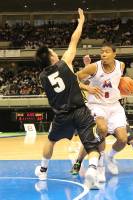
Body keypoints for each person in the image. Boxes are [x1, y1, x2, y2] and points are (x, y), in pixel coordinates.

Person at [34, 8, 103, 189]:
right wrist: (81, 22)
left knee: (51, 140)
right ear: (51, 57)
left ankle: (42, 170)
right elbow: (74, 40)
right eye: (52, 51)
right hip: (80, 111)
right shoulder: (65, 63)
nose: (55, 52)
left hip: (61, 115)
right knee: (91, 144)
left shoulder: (41, 77)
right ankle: (92, 171)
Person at [71, 46, 133, 181]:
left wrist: (129, 87)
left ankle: (110, 156)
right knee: (101, 129)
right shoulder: (93, 68)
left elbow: (117, 82)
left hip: (115, 106)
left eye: (107, 51)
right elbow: (74, 79)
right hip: (97, 105)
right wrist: (87, 87)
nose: (103, 54)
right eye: (101, 52)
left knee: (123, 139)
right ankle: (100, 165)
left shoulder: (121, 65)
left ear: (114, 53)